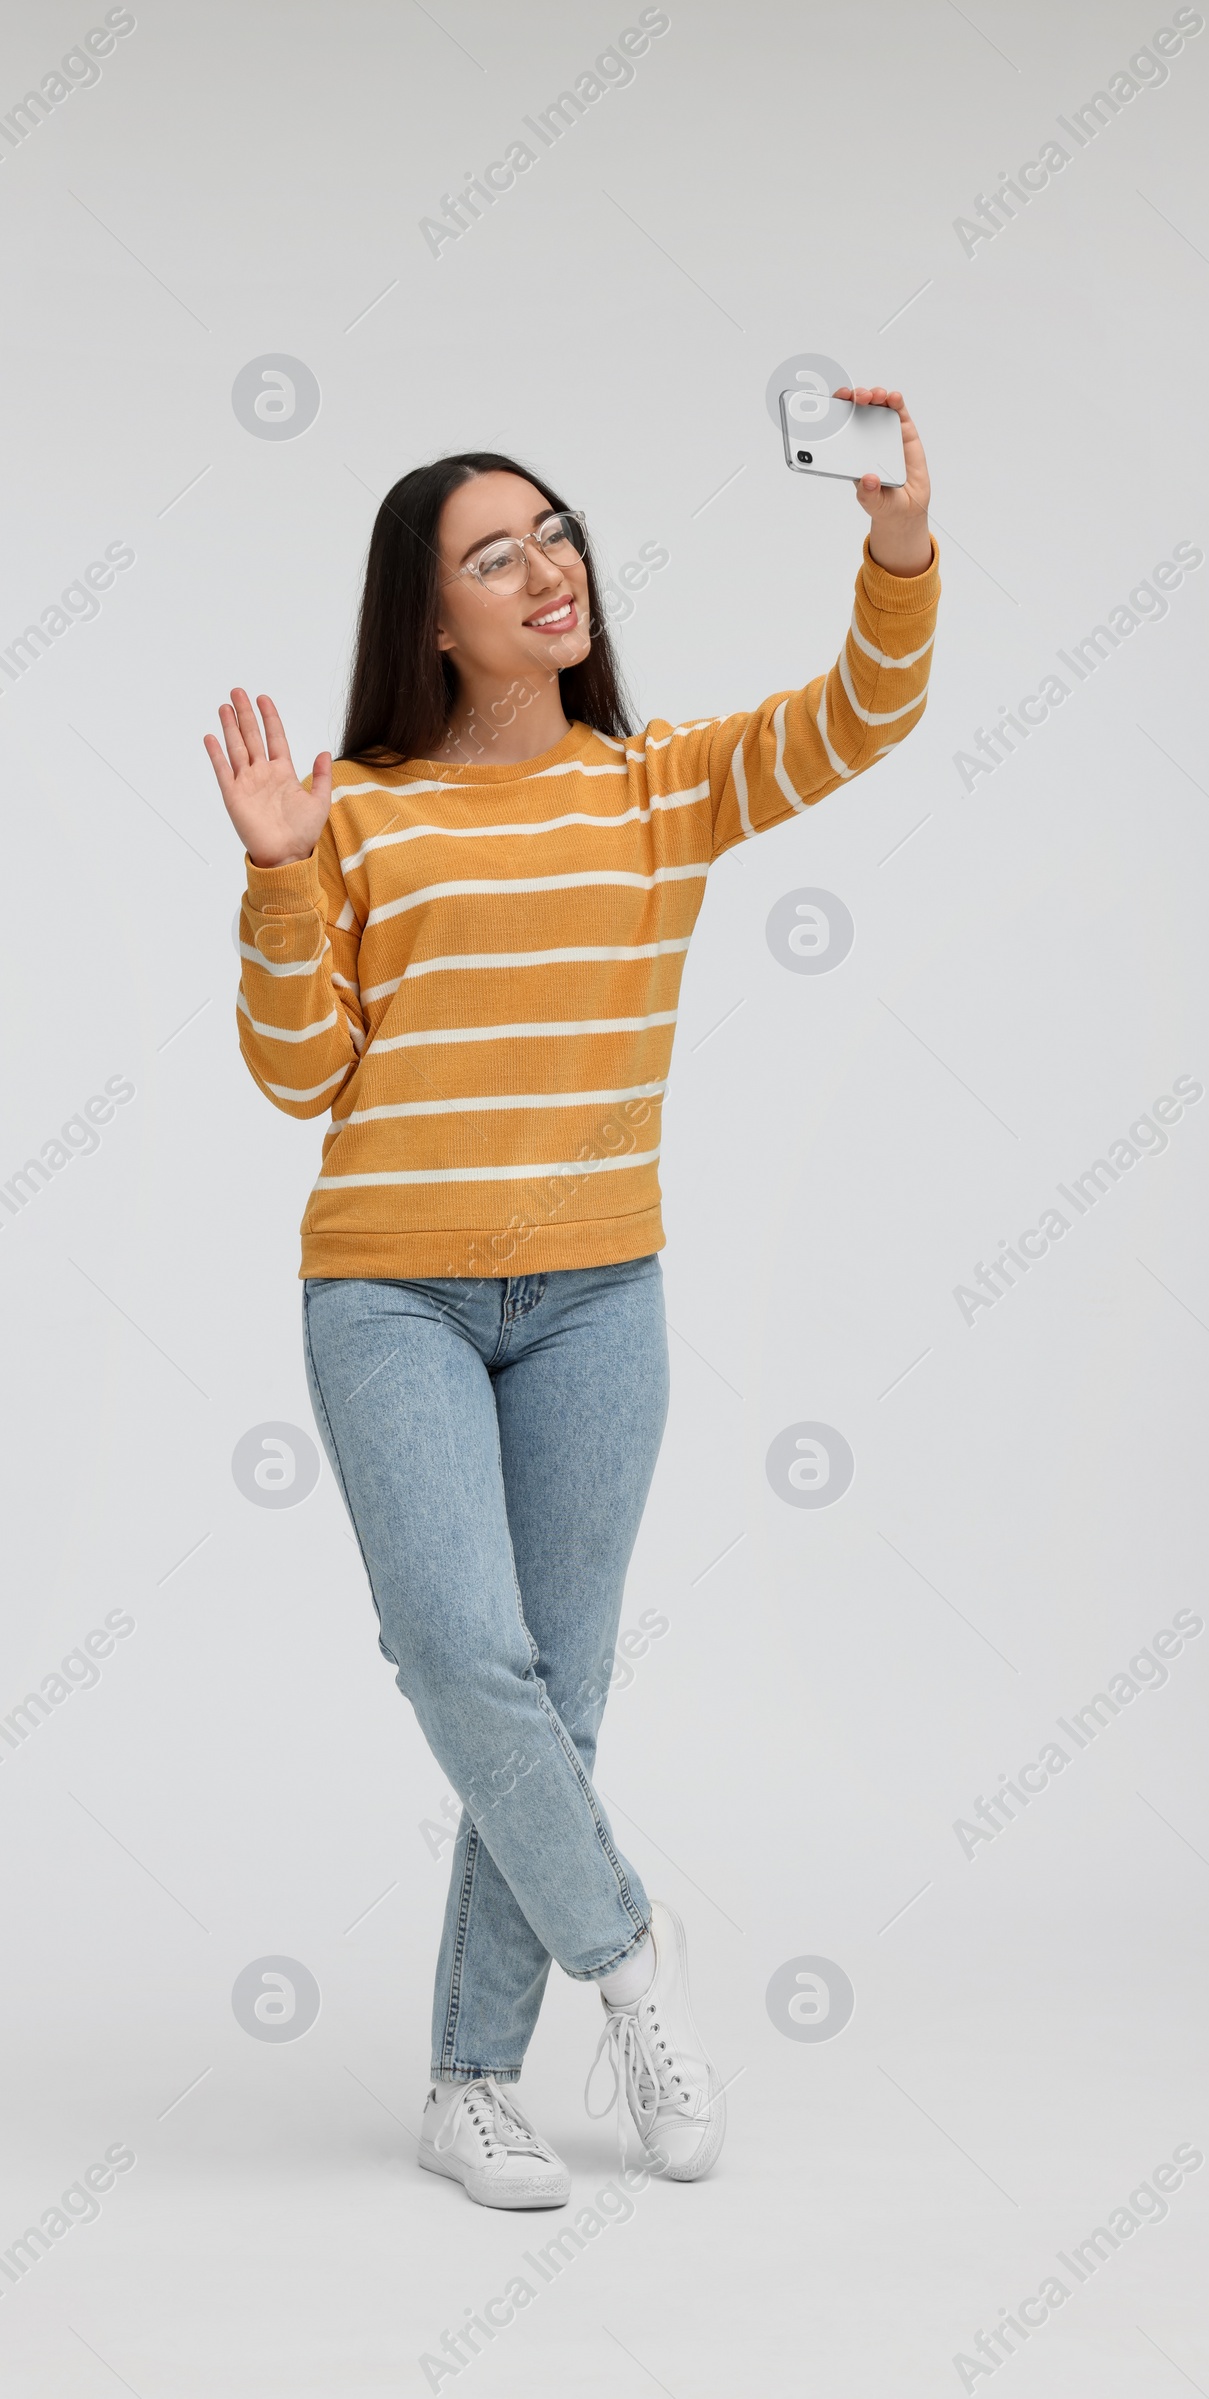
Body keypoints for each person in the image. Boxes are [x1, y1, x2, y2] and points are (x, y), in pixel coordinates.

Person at [205, 387, 937, 2207]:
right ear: (429, 618)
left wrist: (896, 538)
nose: (548, 569)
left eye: (557, 534)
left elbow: (865, 715)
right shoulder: (356, 815)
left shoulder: (657, 786)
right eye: (493, 554)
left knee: (556, 1693)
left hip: (603, 1298)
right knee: (459, 1655)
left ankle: (472, 2081)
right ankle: (629, 1957)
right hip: (395, 1297)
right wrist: (284, 874)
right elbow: (298, 1079)